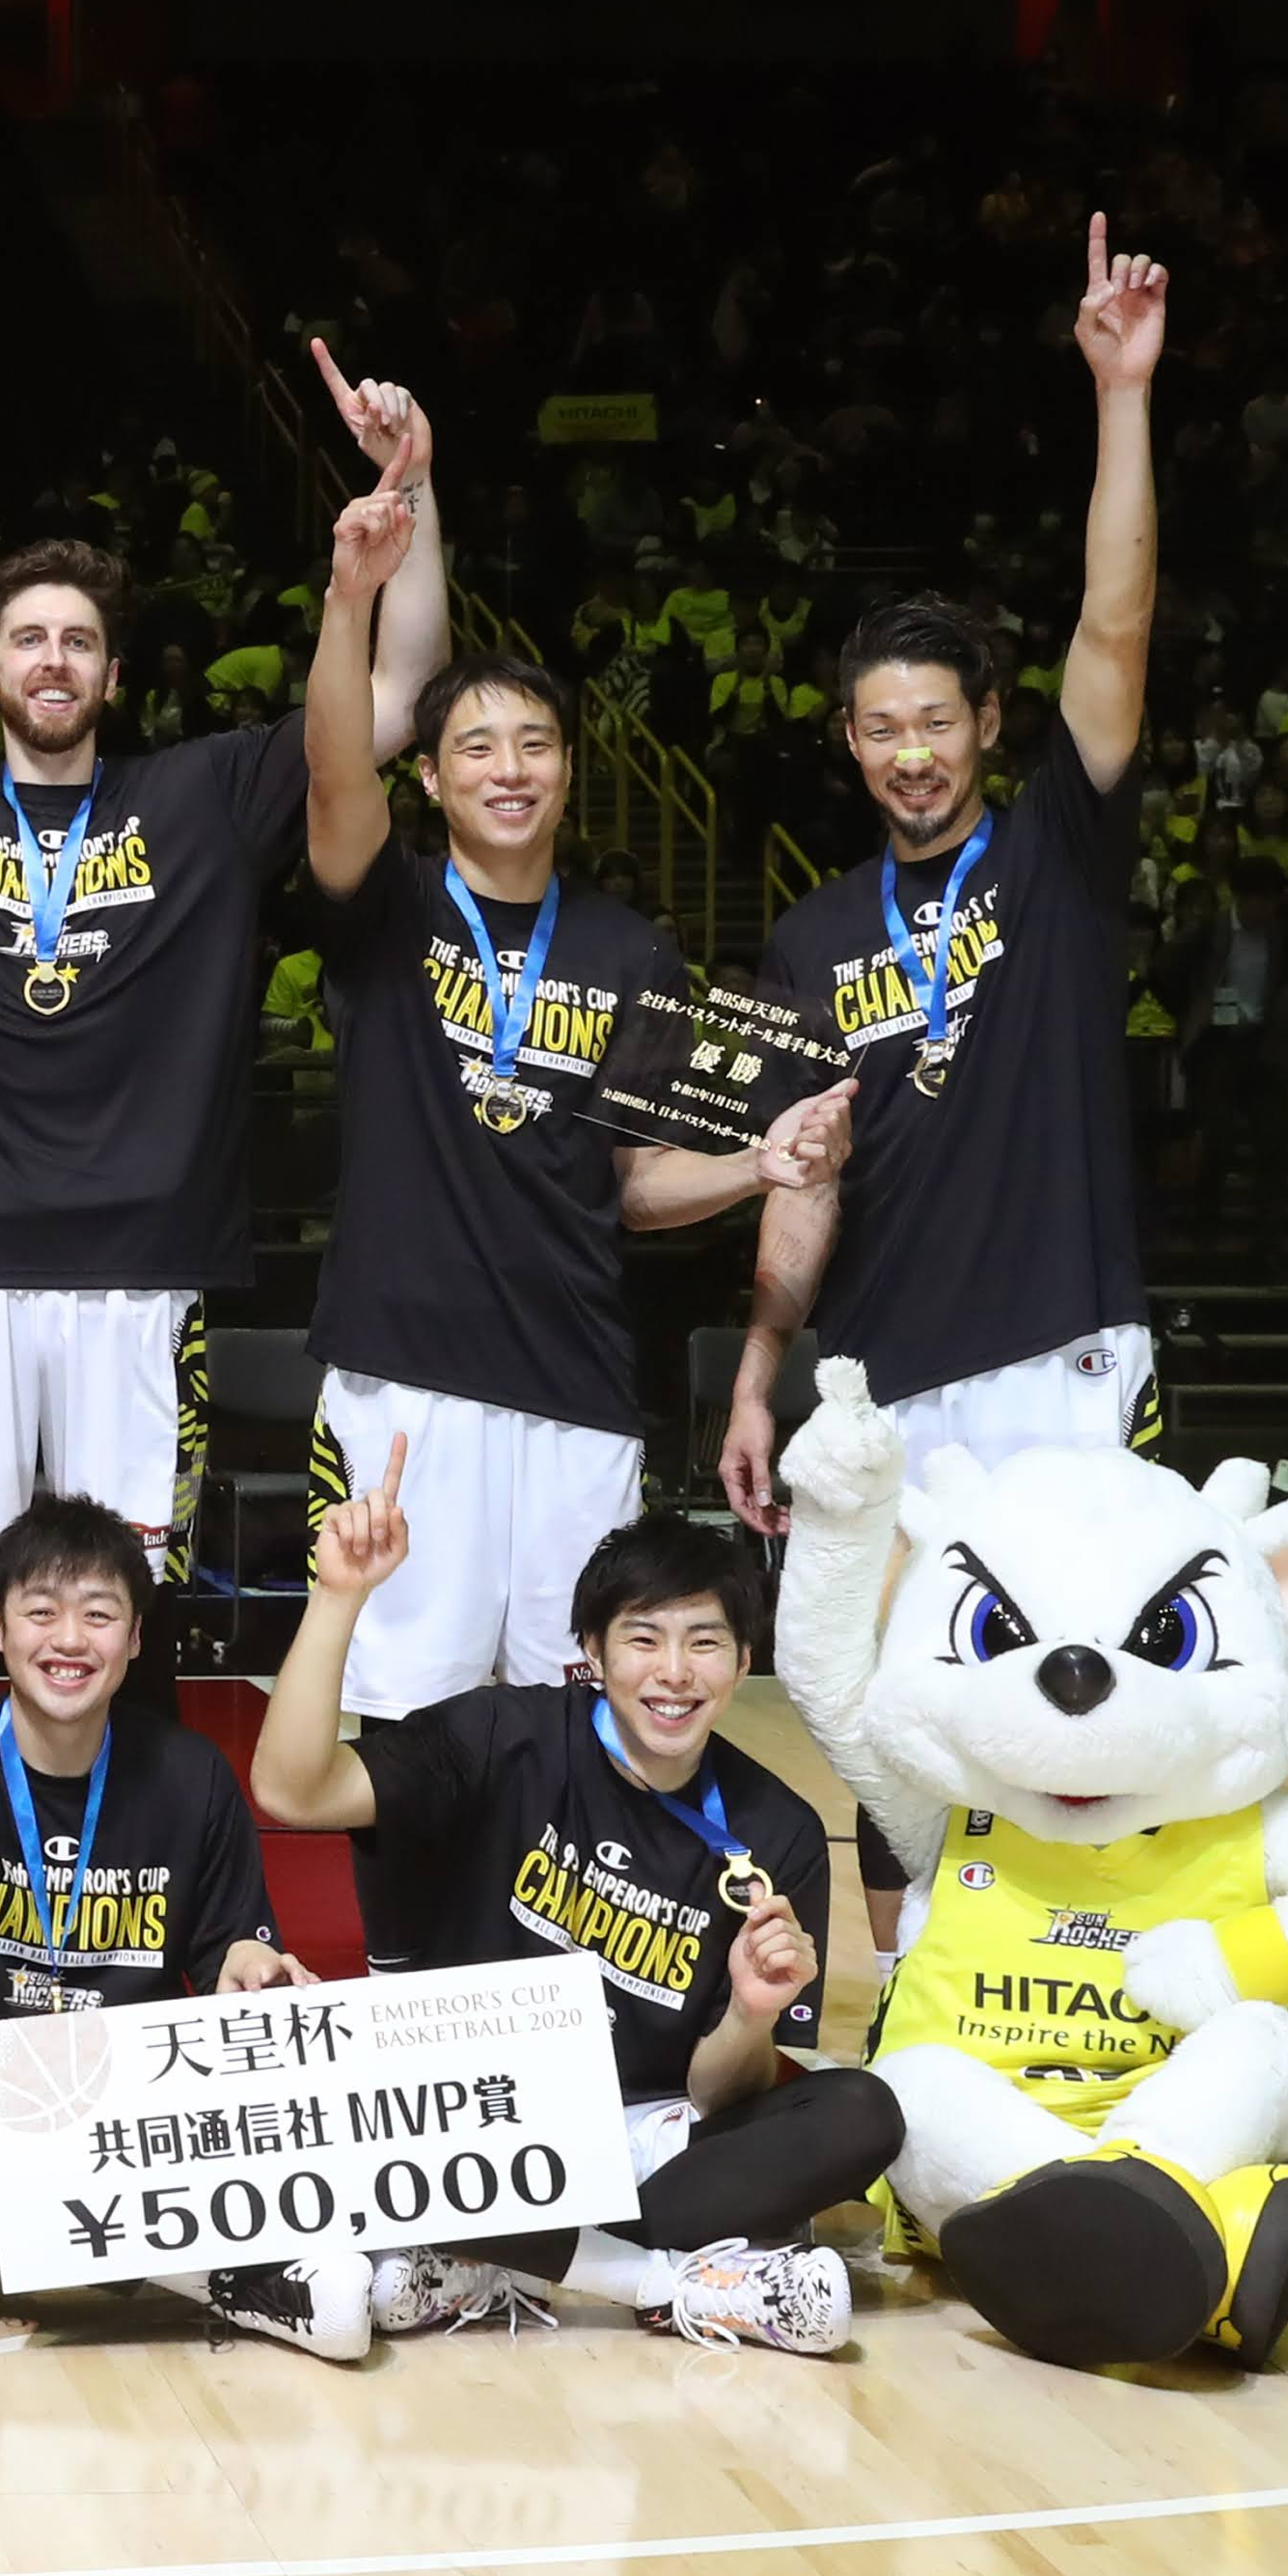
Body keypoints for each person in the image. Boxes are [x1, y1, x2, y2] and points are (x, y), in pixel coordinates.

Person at [0, 346, 452, 1658]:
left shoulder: (207, 797)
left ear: (114, 676)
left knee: (116, 1621)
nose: (55, 661)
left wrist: (418, 481)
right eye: (30, 640)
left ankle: (115, 1865)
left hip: (145, 1278)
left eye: (81, 642)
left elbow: (395, 697)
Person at [722, 218, 1167, 1941]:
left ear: (984, 718)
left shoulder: (1054, 852)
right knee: (904, 1718)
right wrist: (761, 1366)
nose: (907, 749)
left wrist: (1117, 395)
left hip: (1056, 1346)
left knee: (1081, 1704)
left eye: (934, 717)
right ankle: (922, 2006)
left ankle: (1090, 2000)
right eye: (874, 726)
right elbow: (797, 1171)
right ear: (847, 741)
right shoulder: (809, 927)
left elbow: (1114, 621)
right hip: (884, 1376)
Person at [300, 481, 849, 1716]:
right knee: (406, 1708)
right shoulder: (384, 908)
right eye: (477, 748)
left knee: (569, 1711)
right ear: (430, 779)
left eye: (535, 744)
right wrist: (354, 591)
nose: (509, 769)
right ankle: (415, 1929)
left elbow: (632, 1186)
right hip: (404, 1376)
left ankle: (544, 1924)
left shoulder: (631, 951)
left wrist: (757, 1166)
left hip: (576, 1381)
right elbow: (333, 762)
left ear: (568, 772)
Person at [252, 1475, 890, 2357]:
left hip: (645, 2134)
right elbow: (292, 1788)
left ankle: (503, 2253)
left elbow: (718, 2094)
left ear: (745, 1661)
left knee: (863, 2111)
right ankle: (673, 2276)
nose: (674, 1673)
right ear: (591, 1649)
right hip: (470, 2114)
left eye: (706, 1642)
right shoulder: (499, 1737)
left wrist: (750, 2009)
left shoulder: (777, 1830)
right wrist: (338, 1595)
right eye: (643, 1638)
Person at [0, 1494, 336, 2355]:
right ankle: (229, 2278)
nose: (69, 1639)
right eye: (41, 1611)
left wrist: (249, 1962)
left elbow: (234, 1947)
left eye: (98, 1614)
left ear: (136, 1638)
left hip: (127, 2116)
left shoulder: (188, 1774)